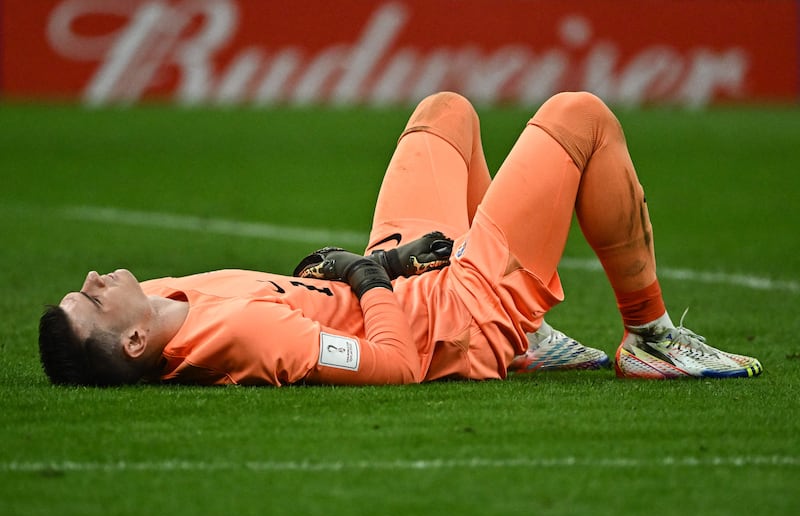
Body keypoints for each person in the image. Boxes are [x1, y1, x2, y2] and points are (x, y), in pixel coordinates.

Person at [38, 91, 763, 386]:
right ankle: (650, 334)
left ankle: (531, 334)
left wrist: (368, 265)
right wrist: (371, 277)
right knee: (581, 116)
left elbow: (309, 294)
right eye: (93, 300)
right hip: (452, 316)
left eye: (85, 286)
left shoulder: (162, 303)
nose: (97, 278)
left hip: (400, 274)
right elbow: (393, 364)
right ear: (133, 343)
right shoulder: (247, 337)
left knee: (444, 112)